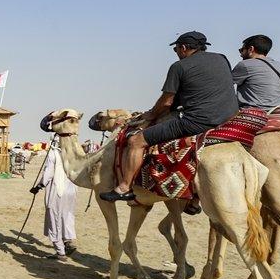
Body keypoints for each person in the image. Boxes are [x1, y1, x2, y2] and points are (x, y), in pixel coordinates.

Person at [101, 31, 237, 202]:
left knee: (136, 141)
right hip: (229, 118)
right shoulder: (222, 58)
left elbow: (166, 102)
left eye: (176, 49)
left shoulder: (179, 67)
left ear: (184, 48)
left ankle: (124, 188)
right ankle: (194, 201)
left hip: (198, 121)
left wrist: (150, 114)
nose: (176, 53)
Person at [32, 144, 76, 259]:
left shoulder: (54, 153)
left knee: (54, 218)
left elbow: (48, 173)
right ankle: (68, 241)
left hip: (58, 189)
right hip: (71, 190)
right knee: (66, 216)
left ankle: (60, 252)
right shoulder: (73, 150)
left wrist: (39, 186)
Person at [232, 34, 280, 111]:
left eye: (241, 50)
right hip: (276, 111)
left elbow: (225, 85)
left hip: (253, 112)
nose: (240, 54)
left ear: (251, 49)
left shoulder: (245, 64)